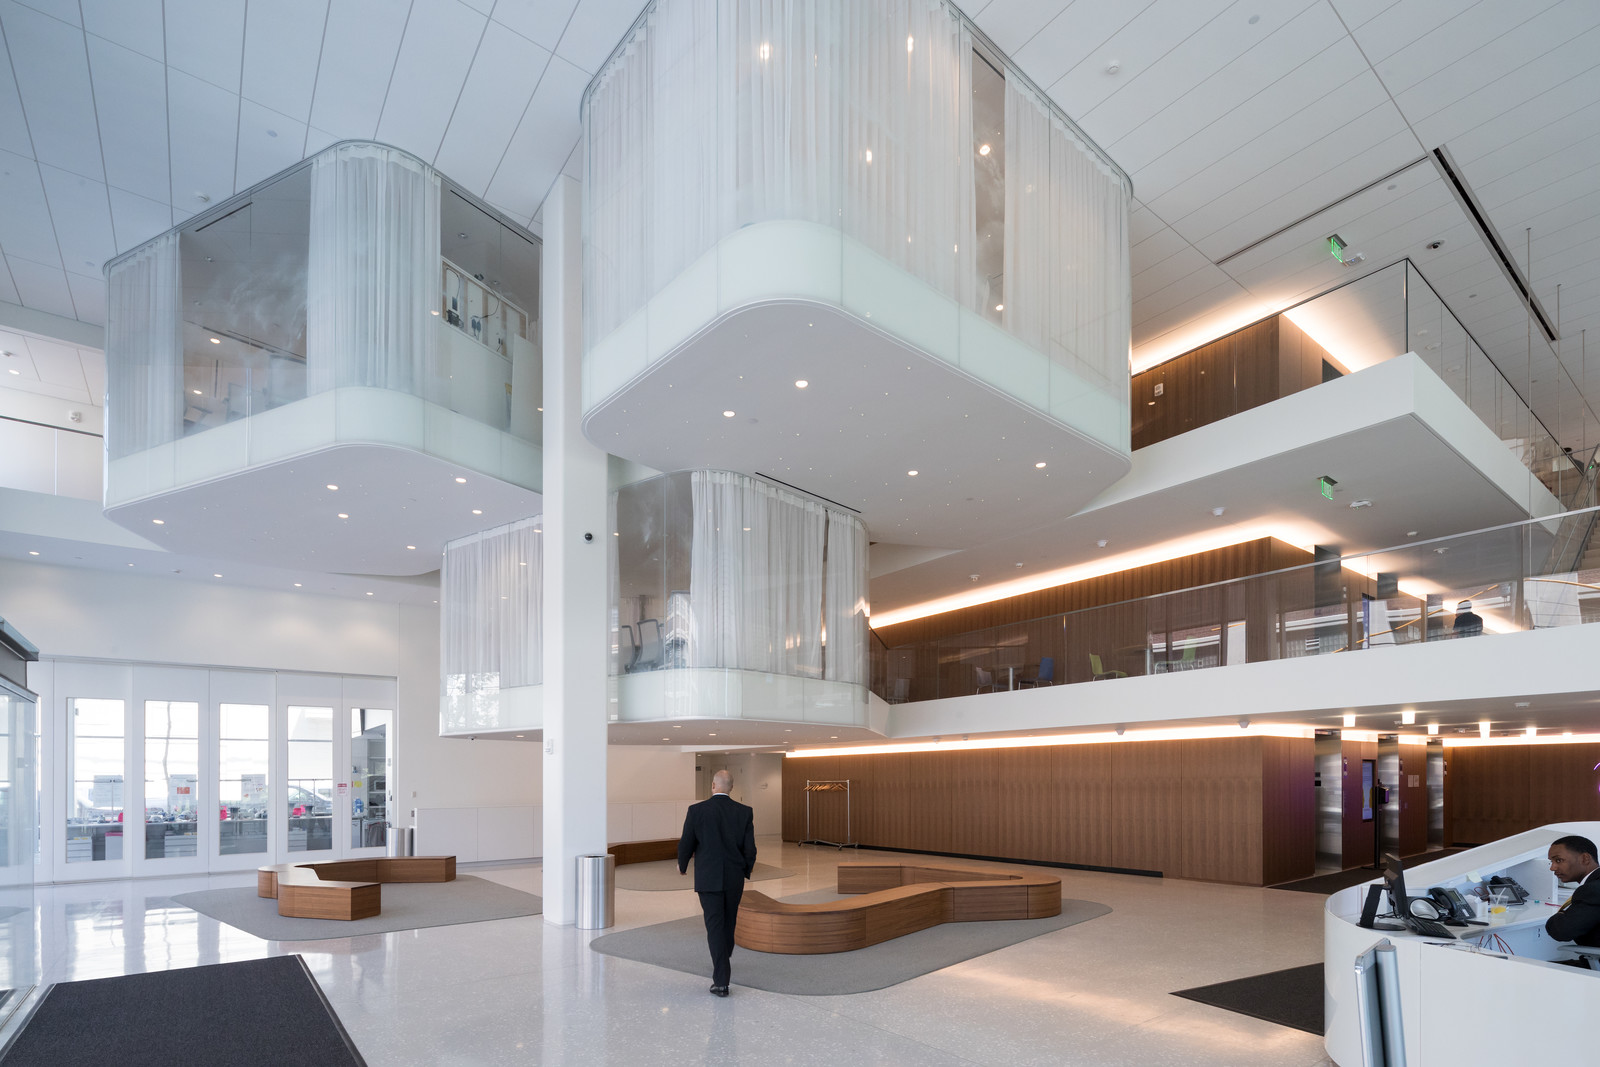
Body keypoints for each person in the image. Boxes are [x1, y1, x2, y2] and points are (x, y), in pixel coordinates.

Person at [678, 769, 757, 997]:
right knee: (729, 921)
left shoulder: (697, 810)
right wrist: (745, 869)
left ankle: (721, 980)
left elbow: (687, 842)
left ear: (713, 786)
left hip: (708, 877)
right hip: (733, 878)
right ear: (731, 787)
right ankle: (723, 957)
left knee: (714, 925)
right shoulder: (744, 812)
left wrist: (682, 865)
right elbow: (750, 848)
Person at [1545, 834, 1600, 949]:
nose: (1552, 867)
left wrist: (1560, 915)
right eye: (1552, 862)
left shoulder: (1591, 890)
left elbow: (1561, 931)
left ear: (1585, 859)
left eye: (1559, 860)